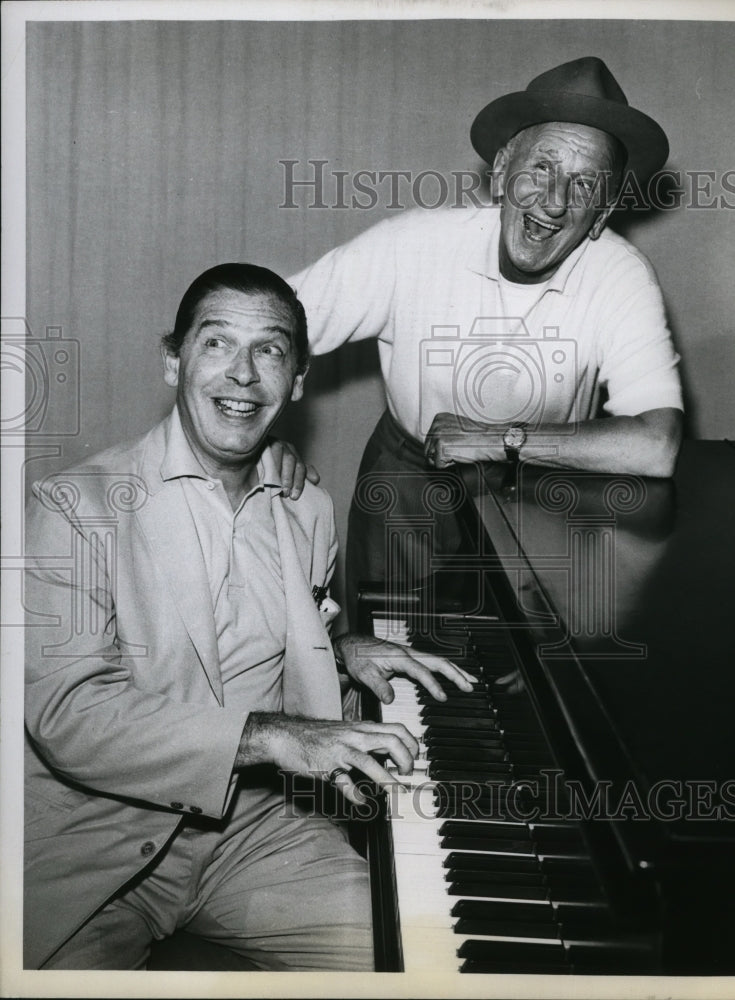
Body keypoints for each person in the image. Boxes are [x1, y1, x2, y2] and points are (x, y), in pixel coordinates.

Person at [23, 263, 472, 971]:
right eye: (216, 344)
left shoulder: (307, 508)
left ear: (296, 380)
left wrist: (342, 647)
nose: (242, 374)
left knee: (419, 958)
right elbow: (68, 715)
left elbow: (286, 647)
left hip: (255, 832)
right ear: (174, 361)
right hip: (96, 844)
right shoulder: (73, 510)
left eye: (269, 350)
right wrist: (268, 737)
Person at [288, 56, 684, 625]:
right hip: (408, 490)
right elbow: (267, 322)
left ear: (604, 211)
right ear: (501, 170)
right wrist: (254, 443)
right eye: (541, 168)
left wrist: (501, 439)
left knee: (523, 689)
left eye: (584, 184)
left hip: (545, 500)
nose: (553, 202)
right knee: (393, 665)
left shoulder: (622, 274)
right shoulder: (413, 243)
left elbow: (657, 446)